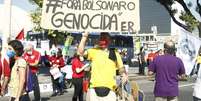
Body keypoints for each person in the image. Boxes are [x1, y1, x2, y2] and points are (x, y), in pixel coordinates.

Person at [77, 32, 127, 101]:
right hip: (94, 89)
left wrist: (124, 74)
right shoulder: (93, 51)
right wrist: (84, 37)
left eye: (105, 38)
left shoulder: (115, 53)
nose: (103, 39)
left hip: (110, 90)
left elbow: (121, 68)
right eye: (101, 38)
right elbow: (80, 52)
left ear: (109, 40)